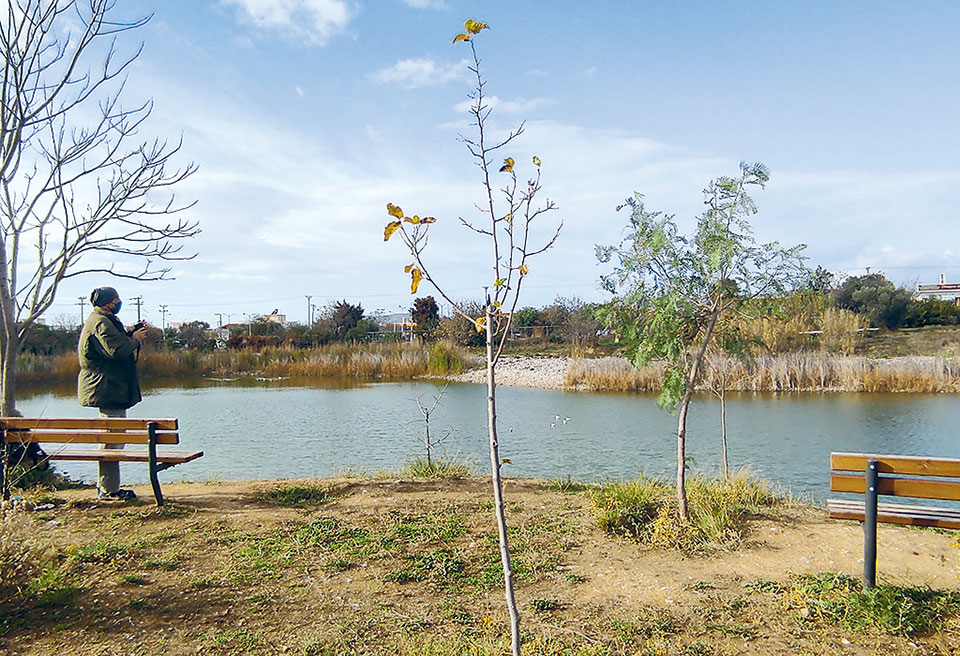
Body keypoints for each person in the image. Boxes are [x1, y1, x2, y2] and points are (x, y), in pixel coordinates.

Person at [77, 287, 149, 500]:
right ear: (109, 302)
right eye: (117, 299)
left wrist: (128, 335)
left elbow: (111, 346)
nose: (119, 302)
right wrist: (134, 339)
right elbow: (116, 351)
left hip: (109, 387)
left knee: (113, 439)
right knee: (111, 439)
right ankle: (109, 490)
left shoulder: (100, 319)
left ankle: (109, 488)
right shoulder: (101, 322)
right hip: (107, 388)